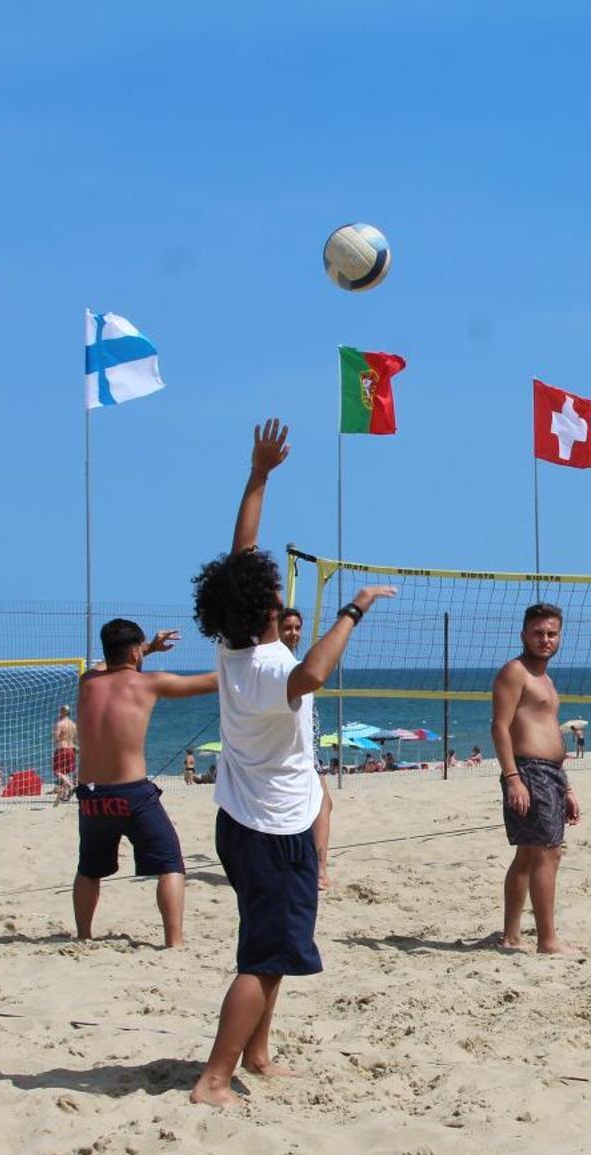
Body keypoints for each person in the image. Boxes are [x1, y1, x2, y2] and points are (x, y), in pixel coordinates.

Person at [188, 417, 394, 1107]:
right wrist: (353, 612)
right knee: (265, 955)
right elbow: (313, 674)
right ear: (270, 610)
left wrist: (258, 476)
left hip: (239, 822)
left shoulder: (229, 644)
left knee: (267, 945)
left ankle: (258, 1053)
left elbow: (242, 554)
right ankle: (214, 1077)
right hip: (275, 830)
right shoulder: (273, 665)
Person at [71, 617, 218, 949]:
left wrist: (146, 648)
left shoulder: (87, 682)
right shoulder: (148, 683)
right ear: (135, 653)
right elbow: (210, 682)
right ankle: (174, 943)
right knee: (170, 865)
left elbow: (102, 665)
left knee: (89, 869)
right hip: (131, 794)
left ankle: (83, 935)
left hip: (91, 796)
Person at [492, 602, 582, 955]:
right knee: (548, 854)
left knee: (529, 856)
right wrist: (513, 777)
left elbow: (547, 730)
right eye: (538, 633)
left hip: (549, 773)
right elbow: (499, 727)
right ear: (523, 635)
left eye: (551, 633)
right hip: (528, 771)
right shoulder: (515, 672)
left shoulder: (544, 677)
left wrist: (567, 785)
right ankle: (548, 941)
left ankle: (512, 935)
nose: (545, 639)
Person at [278, 607, 335, 892]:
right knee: (319, 804)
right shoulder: (279, 664)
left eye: (297, 627)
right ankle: (318, 872)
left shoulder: (294, 662)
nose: (294, 633)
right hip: (295, 748)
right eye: (288, 627)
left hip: (309, 742)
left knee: (323, 803)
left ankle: (316, 869)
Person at [51, 704, 78, 805]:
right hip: (71, 750)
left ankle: (71, 786)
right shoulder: (73, 725)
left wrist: (54, 736)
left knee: (57, 772)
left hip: (62, 749)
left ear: (62, 712)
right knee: (65, 775)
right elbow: (75, 739)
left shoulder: (60, 724)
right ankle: (58, 801)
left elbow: (56, 738)